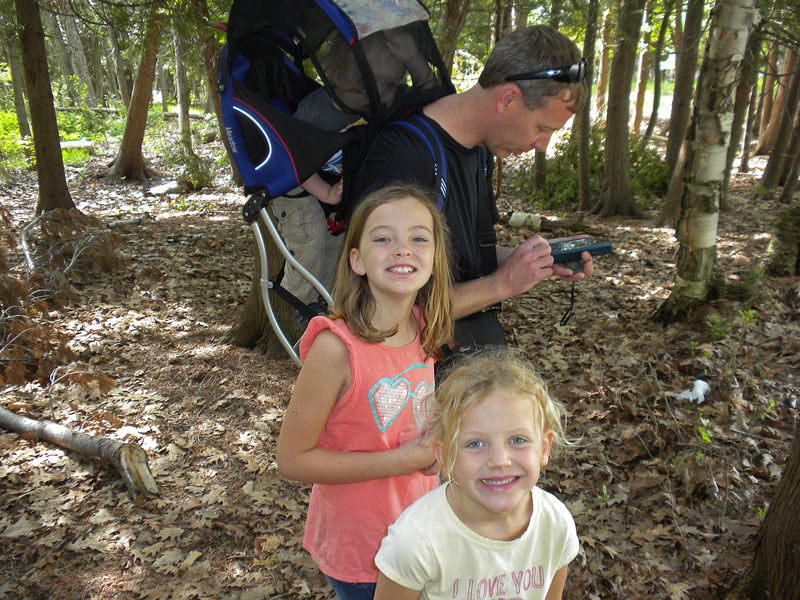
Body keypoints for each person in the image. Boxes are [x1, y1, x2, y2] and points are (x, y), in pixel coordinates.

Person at [355, 25, 594, 350]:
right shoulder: (407, 157)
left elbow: (462, 259)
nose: (542, 146)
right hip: (420, 377)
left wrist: (537, 260)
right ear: (508, 98)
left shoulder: (481, 150)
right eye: (542, 128)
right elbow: (391, 308)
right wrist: (500, 286)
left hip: (474, 353)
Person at [276, 182, 454, 600]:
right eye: (383, 238)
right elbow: (292, 459)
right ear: (356, 259)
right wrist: (401, 460)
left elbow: (411, 425)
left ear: (434, 258)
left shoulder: (423, 330)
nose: (402, 249)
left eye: (418, 238)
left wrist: (436, 447)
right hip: (363, 555)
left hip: (421, 537)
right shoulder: (335, 349)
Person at [373, 349, 578, 600]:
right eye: (475, 444)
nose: (500, 461)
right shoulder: (415, 542)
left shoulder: (555, 524)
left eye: (517, 440)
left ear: (544, 447)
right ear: (445, 455)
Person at [272, 29, 435, 324]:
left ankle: (325, 299)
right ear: (336, 76)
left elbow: (432, 95)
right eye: (365, 85)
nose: (378, 95)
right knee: (311, 240)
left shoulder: (376, 105)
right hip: (299, 188)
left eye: (389, 85)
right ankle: (299, 303)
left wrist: (413, 59)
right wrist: (324, 192)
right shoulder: (315, 113)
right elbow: (292, 160)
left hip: (336, 193)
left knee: (340, 249)